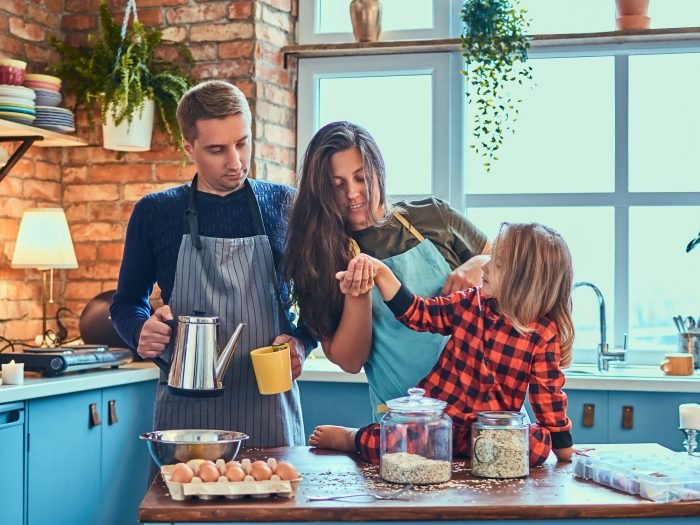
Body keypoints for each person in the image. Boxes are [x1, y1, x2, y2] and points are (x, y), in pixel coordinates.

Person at [111, 80, 314, 447]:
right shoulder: (155, 212)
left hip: (269, 407)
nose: (236, 162)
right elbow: (126, 302)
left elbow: (318, 301)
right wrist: (139, 331)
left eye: (242, 142)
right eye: (217, 149)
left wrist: (302, 343)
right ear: (188, 147)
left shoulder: (285, 204)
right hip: (186, 412)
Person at [310, 222, 575, 465]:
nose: (484, 266)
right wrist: (381, 272)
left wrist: (563, 450)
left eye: (498, 262)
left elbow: (548, 397)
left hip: (487, 432)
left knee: (538, 448)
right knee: (392, 443)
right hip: (439, 422)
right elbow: (418, 313)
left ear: (524, 280)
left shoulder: (543, 335)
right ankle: (351, 437)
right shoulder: (469, 303)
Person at [285, 121, 491, 422]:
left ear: (377, 171)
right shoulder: (320, 257)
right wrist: (358, 296)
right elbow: (350, 361)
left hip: (485, 408)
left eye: (361, 178)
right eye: (337, 184)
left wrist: (476, 264)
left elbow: (506, 262)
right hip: (404, 421)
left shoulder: (433, 217)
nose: (353, 193)